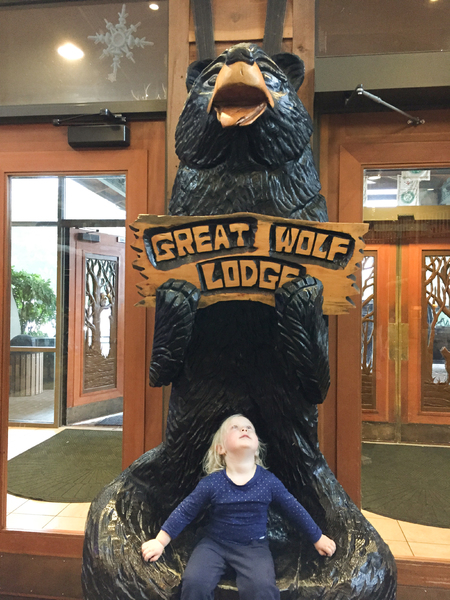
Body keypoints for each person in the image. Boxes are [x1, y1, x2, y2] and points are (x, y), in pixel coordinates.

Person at [141, 414, 336, 600]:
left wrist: (317, 537)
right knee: (194, 583)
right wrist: (160, 542)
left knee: (262, 589)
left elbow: (294, 509)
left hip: (254, 548)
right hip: (214, 545)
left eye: (249, 428)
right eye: (235, 427)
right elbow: (185, 511)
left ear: (257, 448)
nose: (244, 429)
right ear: (220, 448)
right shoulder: (212, 483)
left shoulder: (268, 482)